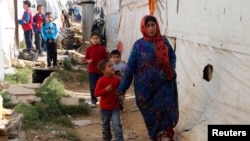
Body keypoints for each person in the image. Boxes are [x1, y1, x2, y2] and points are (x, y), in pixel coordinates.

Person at [116, 15, 179, 141]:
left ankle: (164, 134)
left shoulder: (164, 41)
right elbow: (130, 68)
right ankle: (155, 135)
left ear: (157, 26)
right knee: (150, 114)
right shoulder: (138, 46)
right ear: (143, 27)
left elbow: (172, 57)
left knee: (164, 110)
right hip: (144, 90)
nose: (151, 28)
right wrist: (122, 88)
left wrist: (170, 70)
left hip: (164, 85)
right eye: (148, 26)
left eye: (153, 25)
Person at [95, 59, 124, 141]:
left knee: (117, 125)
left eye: (112, 65)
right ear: (103, 71)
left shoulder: (117, 80)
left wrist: (121, 93)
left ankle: (119, 139)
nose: (112, 67)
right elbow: (96, 93)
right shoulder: (101, 81)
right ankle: (107, 139)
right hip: (104, 108)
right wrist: (105, 90)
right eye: (109, 66)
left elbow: (122, 89)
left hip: (115, 107)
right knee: (106, 126)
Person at [83, 32, 108, 108]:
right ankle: (93, 100)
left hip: (101, 71)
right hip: (92, 70)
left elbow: (106, 59)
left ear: (99, 39)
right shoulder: (89, 49)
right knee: (93, 86)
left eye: (96, 38)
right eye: (93, 38)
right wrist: (87, 61)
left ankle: (104, 100)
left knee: (102, 86)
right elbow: (85, 58)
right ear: (90, 40)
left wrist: (105, 67)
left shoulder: (102, 49)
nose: (95, 40)